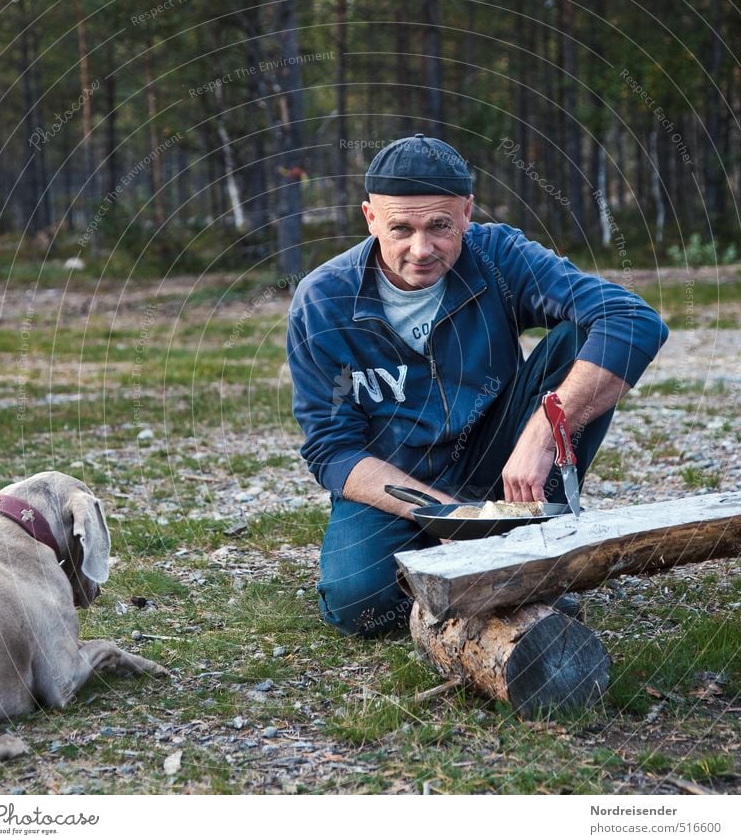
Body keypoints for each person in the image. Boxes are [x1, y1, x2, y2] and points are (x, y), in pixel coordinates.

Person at [286, 134, 668, 637]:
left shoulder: (498, 256)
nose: (421, 249)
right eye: (401, 227)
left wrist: (542, 432)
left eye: (440, 225)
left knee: (584, 337)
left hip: (504, 463)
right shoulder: (324, 301)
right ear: (371, 218)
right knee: (359, 603)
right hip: (399, 485)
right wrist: (446, 517)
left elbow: (631, 319)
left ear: (467, 212)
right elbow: (333, 450)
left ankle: (526, 540)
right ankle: (506, 567)